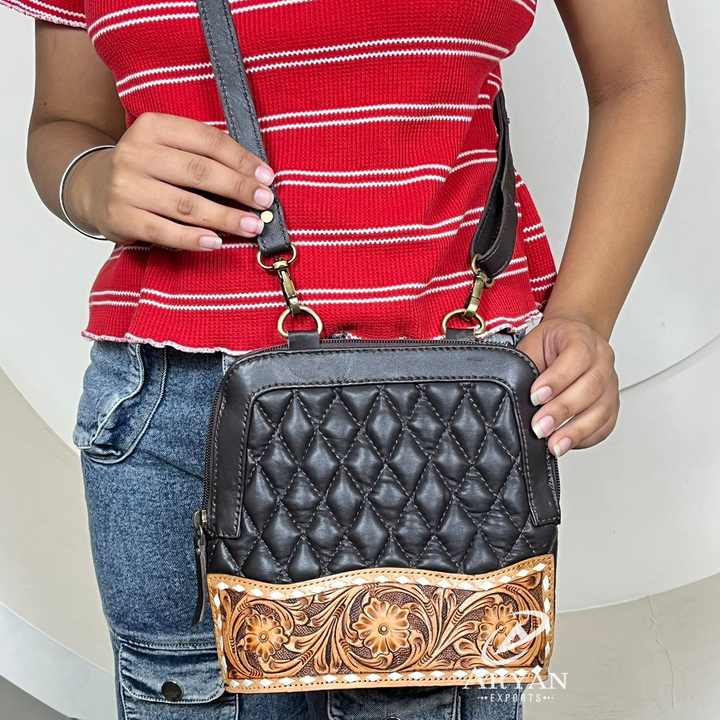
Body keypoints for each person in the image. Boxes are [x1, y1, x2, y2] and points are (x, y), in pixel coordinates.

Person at [2, 0, 684, 717]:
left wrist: (584, 315)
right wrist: (92, 181)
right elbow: (63, 122)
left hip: (450, 423)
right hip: (181, 412)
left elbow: (637, 78)